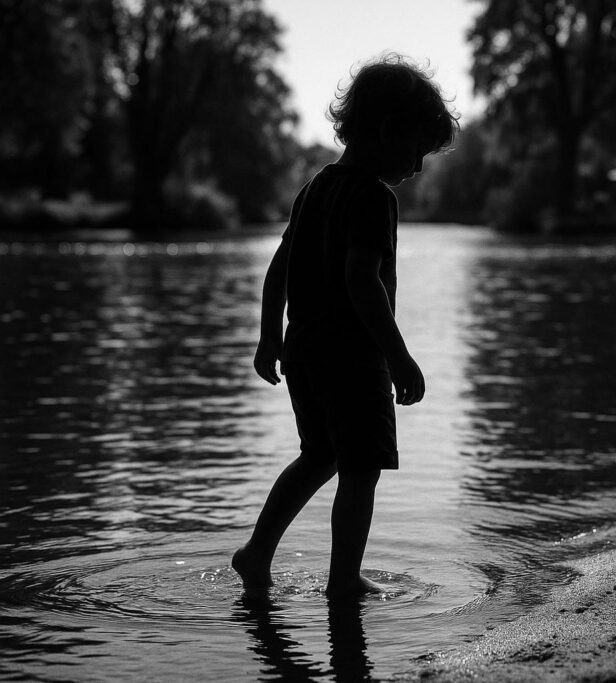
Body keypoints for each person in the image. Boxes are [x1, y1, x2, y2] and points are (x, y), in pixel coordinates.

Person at [232, 54, 458, 599]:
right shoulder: (374, 197)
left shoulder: (315, 187)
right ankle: (342, 581)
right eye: (417, 151)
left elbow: (278, 269)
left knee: (320, 454)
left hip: (304, 349)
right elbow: (364, 283)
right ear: (388, 132)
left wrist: (269, 338)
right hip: (353, 355)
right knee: (361, 468)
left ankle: (256, 553)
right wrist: (399, 357)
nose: (419, 168)